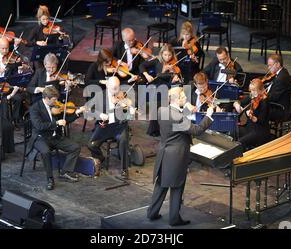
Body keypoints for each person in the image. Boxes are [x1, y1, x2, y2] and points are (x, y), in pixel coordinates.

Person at [147, 86, 214, 226]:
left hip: (164, 152)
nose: (186, 98)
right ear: (177, 99)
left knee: (161, 184)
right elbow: (197, 130)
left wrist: (185, 111)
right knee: (177, 186)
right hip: (176, 156)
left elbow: (175, 127)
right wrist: (208, 115)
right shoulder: (178, 117)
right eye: (183, 97)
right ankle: (174, 219)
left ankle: (152, 213)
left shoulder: (162, 110)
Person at [26, 86, 85, 190]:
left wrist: (77, 114)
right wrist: (56, 123)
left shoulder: (56, 106)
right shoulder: (35, 108)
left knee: (75, 147)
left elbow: (65, 120)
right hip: (40, 138)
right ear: (47, 98)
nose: (56, 101)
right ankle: (50, 178)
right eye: (54, 99)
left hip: (54, 137)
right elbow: (39, 126)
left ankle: (65, 171)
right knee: (45, 152)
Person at [87, 76, 135, 179]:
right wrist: (100, 115)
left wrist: (129, 111)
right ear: (107, 85)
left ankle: (124, 169)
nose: (116, 91)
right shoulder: (100, 95)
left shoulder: (123, 95)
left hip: (119, 126)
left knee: (123, 141)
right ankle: (100, 159)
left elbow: (129, 116)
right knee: (91, 145)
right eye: (113, 88)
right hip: (104, 126)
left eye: (117, 87)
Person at [0, 37, 26, 125]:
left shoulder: (12, 56)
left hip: (9, 85)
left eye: (7, 48)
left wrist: (20, 69)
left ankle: (15, 119)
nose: (5, 50)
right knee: (4, 101)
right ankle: (5, 123)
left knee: (19, 98)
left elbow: (18, 69)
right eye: (3, 48)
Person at [233, 78, 270, 150]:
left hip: (259, 131)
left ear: (260, 90)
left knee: (239, 143)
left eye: (254, 91)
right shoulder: (253, 96)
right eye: (251, 90)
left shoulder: (264, 102)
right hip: (250, 126)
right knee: (232, 130)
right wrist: (237, 104)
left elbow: (261, 121)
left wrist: (251, 116)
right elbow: (241, 102)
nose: (252, 93)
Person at [264, 54, 291, 121]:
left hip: (279, 108)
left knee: (257, 110)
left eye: (270, 65)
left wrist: (262, 96)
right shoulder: (281, 72)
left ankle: (262, 129)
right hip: (276, 104)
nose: (268, 68)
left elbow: (273, 97)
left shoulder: (282, 78)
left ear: (278, 64)